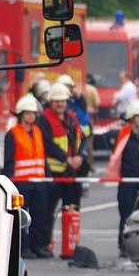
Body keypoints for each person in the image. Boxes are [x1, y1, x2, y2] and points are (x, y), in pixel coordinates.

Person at [36, 83, 86, 257]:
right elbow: (48, 145)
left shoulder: (71, 118)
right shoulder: (43, 119)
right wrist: (67, 159)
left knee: (71, 210)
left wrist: (80, 156)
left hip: (72, 173)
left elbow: (81, 138)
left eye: (63, 101)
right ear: (51, 102)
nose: (61, 104)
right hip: (53, 174)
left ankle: (71, 247)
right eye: (57, 101)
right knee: (48, 212)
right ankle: (45, 244)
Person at [107, 99, 139, 255]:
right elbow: (116, 156)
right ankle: (123, 245)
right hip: (128, 181)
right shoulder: (124, 135)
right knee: (126, 215)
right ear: (132, 118)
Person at [3, 94, 50, 259]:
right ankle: (23, 247)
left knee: (39, 217)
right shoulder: (13, 133)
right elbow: (9, 160)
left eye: (34, 113)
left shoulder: (38, 131)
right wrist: (8, 183)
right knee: (22, 218)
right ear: (21, 114)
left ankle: (38, 246)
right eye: (28, 113)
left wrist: (47, 177)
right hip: (21, 183)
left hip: (38, 183)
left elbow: (42, 157)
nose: (32, 116)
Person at [84, 74, 101, 168]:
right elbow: (97, 103)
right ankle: (90, 164)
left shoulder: (79, 89)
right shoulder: (92, 89)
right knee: (89, 143)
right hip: (89, 119)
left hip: (77, 119)